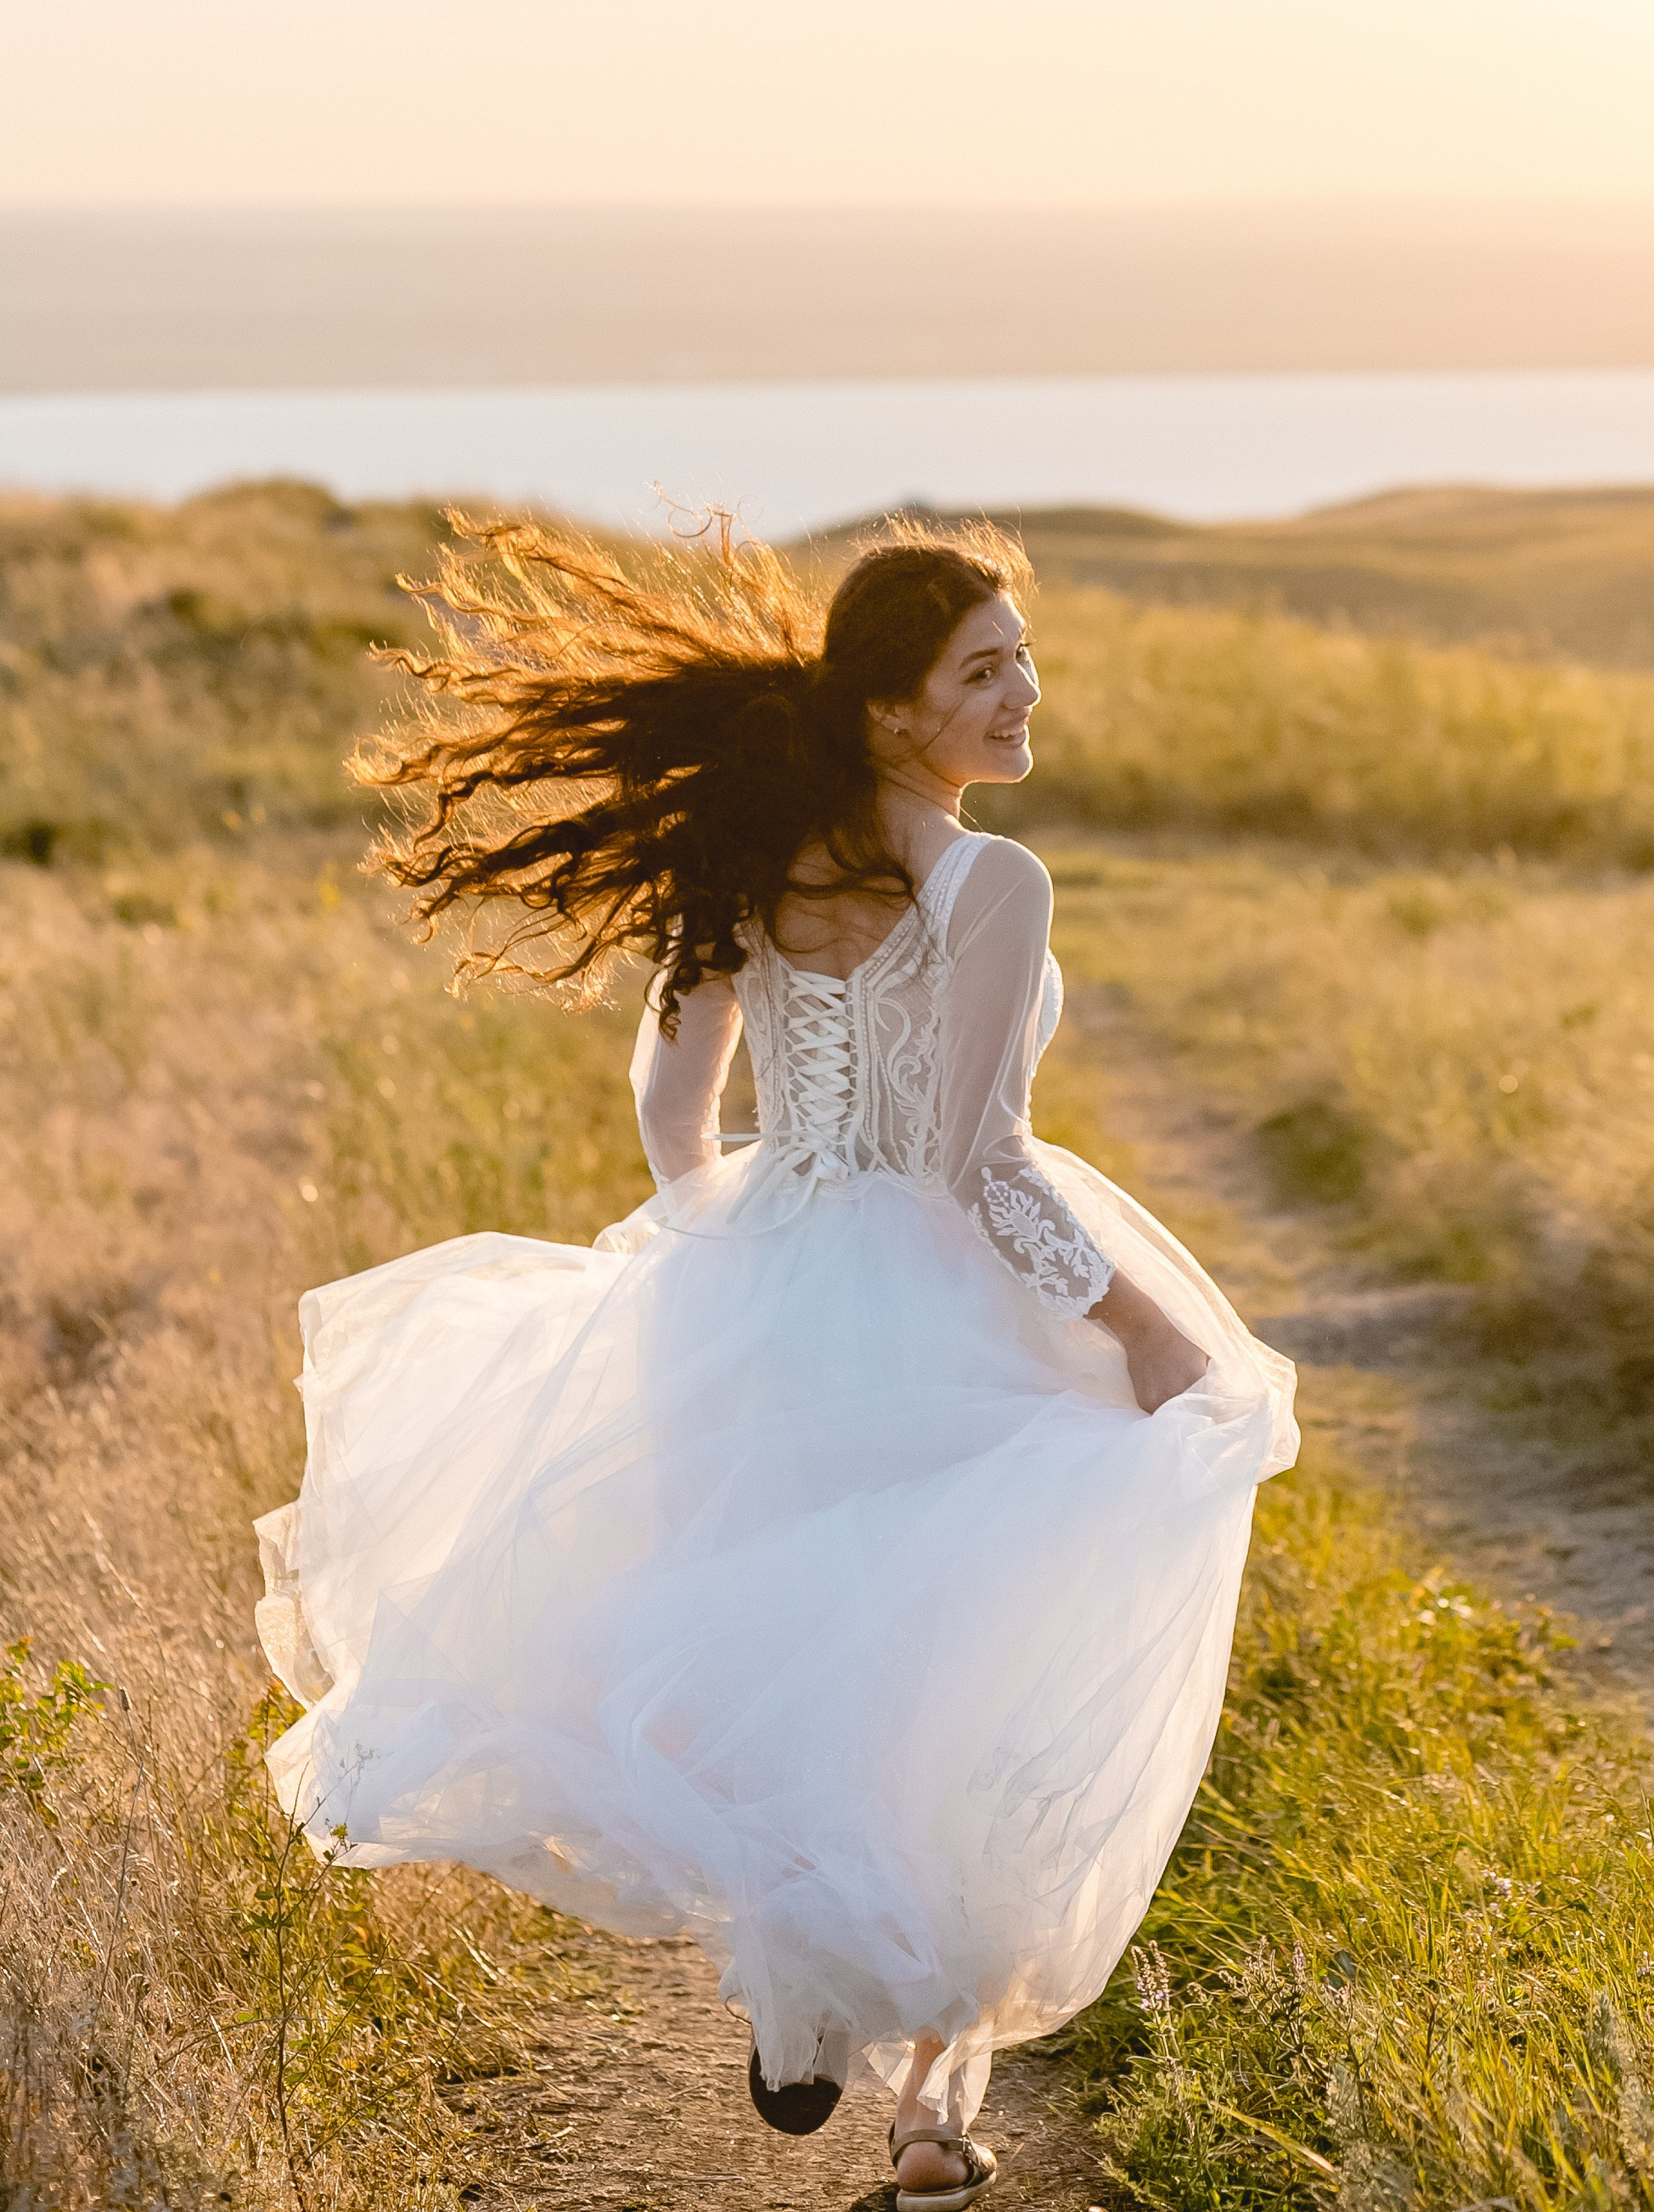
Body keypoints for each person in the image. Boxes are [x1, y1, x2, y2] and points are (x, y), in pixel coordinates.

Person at [253, 517, 1298, 2201]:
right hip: (961, 1308)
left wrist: (721, 1255)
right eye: (982, 670)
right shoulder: (989, 880)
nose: (1021, 692)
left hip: (769, 1288)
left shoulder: (748, 863)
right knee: (979, 1691)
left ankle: (807, 1994)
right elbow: (975, 1165)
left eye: (1021, 655)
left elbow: (673, 1111)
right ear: (893, 714)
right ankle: (927, 2106)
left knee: (823, 1668)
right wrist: (1156, 1334)